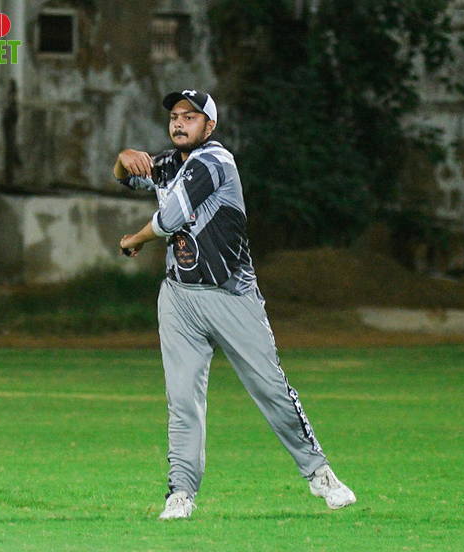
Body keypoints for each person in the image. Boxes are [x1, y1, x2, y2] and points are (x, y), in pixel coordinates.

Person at [114, 89, 356, 520]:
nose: (178, 122)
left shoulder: (215, 160)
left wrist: (134, 239)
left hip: (232, 296)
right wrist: (123, 158)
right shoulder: (169, 163)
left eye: (190, 116)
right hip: (180, 298)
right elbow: (126, 177)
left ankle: (320, 473)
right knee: (183, 400)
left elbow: (170, 219)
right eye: (174, 116)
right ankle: (180, 493)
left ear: (210, 126)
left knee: (271, 390)